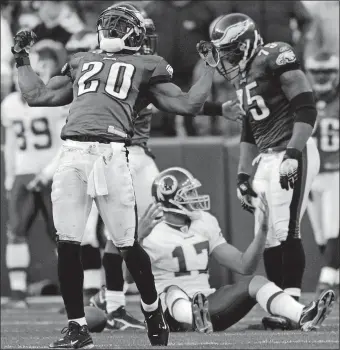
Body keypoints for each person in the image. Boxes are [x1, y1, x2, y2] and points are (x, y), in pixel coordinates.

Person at [11, 4, 220, 348]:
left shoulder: (147, 65)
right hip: (72, 152)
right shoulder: (80, 60)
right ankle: (77, 328)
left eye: (118, 26)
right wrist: (21, 59)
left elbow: (189, 105)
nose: (111, 31)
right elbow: (37, 95)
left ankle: (152, 312)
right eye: (108, 24)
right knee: (67, 244)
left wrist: (209, 71)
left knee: (126, 243)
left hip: (112, 153)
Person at [210, 13, 320, 330]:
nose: (227, 59)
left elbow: (306, 105)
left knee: (286, 229)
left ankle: (294, 306)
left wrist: (293, 152)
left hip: (292, 148)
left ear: (245, 44)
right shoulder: (243, 76)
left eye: (230, 51)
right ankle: (282, 307)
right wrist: (243, 175)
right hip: (267, 158)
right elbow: (249, 128)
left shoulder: (274, 55)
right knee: (269, 234)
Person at [130, 167, 334, 333]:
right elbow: (128, 278)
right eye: (188, 193)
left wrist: (262, 232)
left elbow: (244, 265)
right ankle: (194, 318)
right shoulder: (149, 230)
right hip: (167, 312)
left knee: (256, 282)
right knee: (172, 291)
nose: (195, 197)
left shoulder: (204, 222)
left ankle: (303, 315)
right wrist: (137, 239)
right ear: (170, 197)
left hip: (205, 303)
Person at [2, 40, 68, 308]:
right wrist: (10, 178)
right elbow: (9, 144)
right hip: (24, 172)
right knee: (15, 233)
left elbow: (67, 138)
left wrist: (50, 171)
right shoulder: (8, 105)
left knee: (65, 235)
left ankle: (71, 292)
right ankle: (18, 294)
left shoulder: (49, 97)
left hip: (52, 171)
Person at [305, 51, 339, 299]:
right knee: (320, 234)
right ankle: (335, 277)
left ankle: (327, 277)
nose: (321, 77)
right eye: (317, 72)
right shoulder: (302, 100)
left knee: (333, 228)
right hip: (312, 174)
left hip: (337, 172)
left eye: (326, 71)